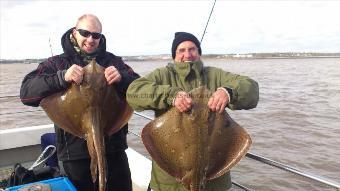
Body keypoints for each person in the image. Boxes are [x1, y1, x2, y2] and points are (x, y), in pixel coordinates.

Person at [20, 14, 139, 191]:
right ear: (75, 32)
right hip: (74, 155)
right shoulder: (57, 63)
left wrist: (122, 78)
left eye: (96, 35)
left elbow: (141, 88)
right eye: (85, 33)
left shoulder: (113, 61)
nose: (91, 39)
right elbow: (26, 93)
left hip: (114, 150)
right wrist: (62, 77)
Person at [126, 32, 259, 191]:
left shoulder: (214, 75)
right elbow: (133, 92)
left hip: (213, 183)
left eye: (192, 49)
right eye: (181, 50)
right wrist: (170, 95)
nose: (187, 54)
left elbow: (251, 88)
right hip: (169, 182)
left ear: (199, 52)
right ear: (174, 55)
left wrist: (229, 92)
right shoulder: (163, 75)